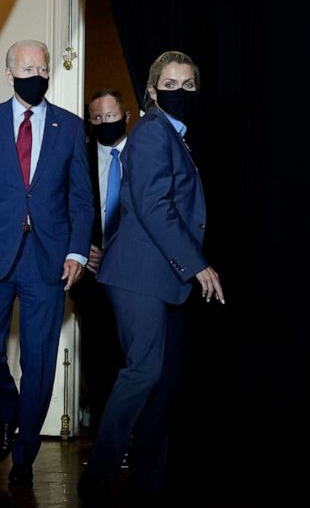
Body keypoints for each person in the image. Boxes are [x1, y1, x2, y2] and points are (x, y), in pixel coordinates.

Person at [78, 51, 224, 501]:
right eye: (170, 84)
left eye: (189, 85)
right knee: (144, 373)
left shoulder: (173, 137)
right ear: (152, 90)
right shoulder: (151, 134)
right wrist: (198, 264)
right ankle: (99, 471)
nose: (180, 92)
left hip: (165, 279)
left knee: (164, 383)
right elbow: (154, 206)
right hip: (139, 274)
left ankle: (149, 480)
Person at [0, 39, 94, 487]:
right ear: (9, 74)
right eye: (27, 67)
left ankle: (25, 458)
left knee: (39, 361)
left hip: (47, 260)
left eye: (42, 67)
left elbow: (82, 201)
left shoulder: (69, 127)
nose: (36, 73)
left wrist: (75, 252)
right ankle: (8, 412)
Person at [69, 88, 132, 433]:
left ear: (126, 117)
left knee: (130, 356)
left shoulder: (142, 156)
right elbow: (65, 208)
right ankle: (105, 433)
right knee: (97, 356)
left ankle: (132, 431)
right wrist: (81, 247)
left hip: (134, 276)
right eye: (98, 118)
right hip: (92, 277)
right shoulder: (81, 156)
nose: (105, 123)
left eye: (111, 116)